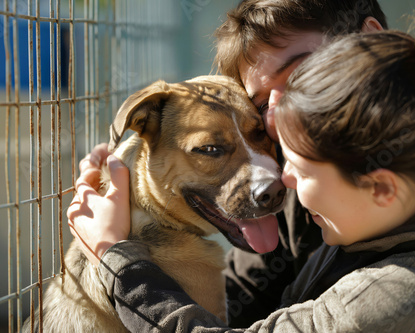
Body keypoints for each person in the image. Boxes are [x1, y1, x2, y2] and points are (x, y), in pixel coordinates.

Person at [69, 0, 389, 328]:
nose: (276, 119)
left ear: (371, 41)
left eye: (299, 75)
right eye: (262, 103)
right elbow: (244, 296)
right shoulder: (296, 185)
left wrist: (116, 259)